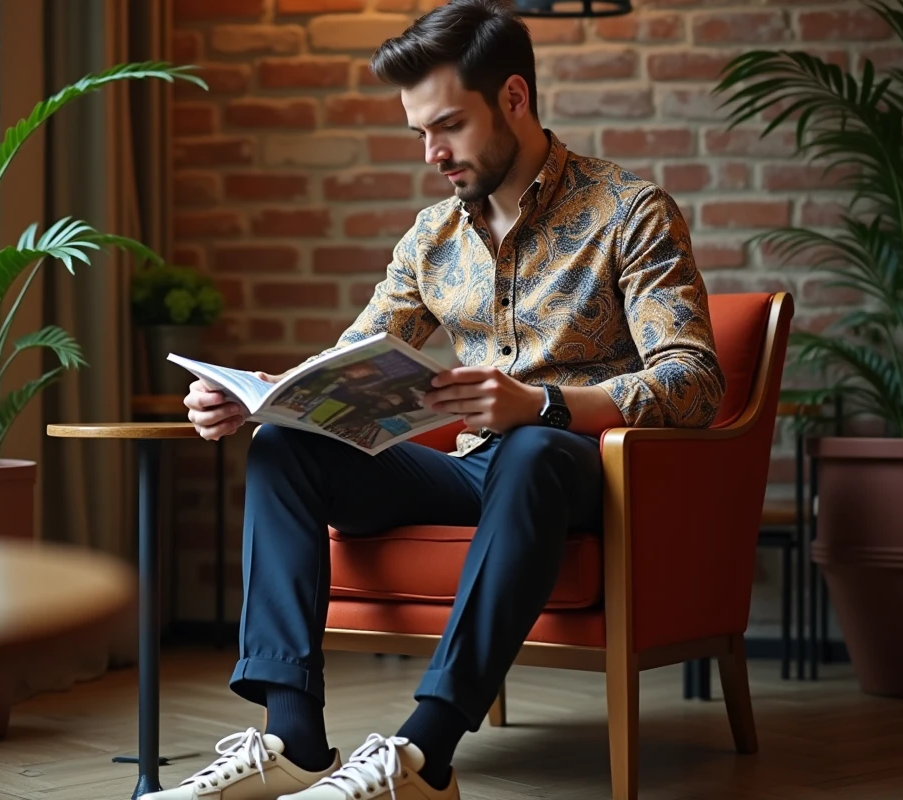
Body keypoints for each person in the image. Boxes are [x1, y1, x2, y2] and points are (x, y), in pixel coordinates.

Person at [165, 1, 726, 799]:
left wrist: (542, 406)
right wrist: (260, 400)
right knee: (285, 448)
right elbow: (346, 359)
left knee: (531, 451)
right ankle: (295, 740)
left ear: (514, 99)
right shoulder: (431, 237)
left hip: (580, 477)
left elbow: (695, 382)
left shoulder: (630, 214)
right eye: (419, 133)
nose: (432, 153)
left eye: (449, 127)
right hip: (471, 473)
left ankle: (424, 757)